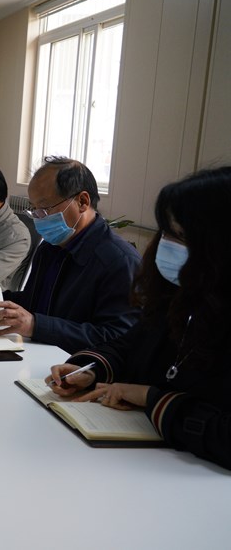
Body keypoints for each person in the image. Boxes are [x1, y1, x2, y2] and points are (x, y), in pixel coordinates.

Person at [44, 166, 231, 470]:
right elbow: (130, 345)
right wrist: (90, 370)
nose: (165, 245)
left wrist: (148, 397)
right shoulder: (180, 297)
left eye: (180, 236)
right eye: (165, 232)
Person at [0, 157, 141, 354]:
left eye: (44, 209)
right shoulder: (50, 248)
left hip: (76, 365)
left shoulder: (119, 261)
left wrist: (36, 325)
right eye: (33, 209)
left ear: (82, 201)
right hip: (38, 353)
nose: (38, 218)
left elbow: (117, 337)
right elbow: (33, 301)